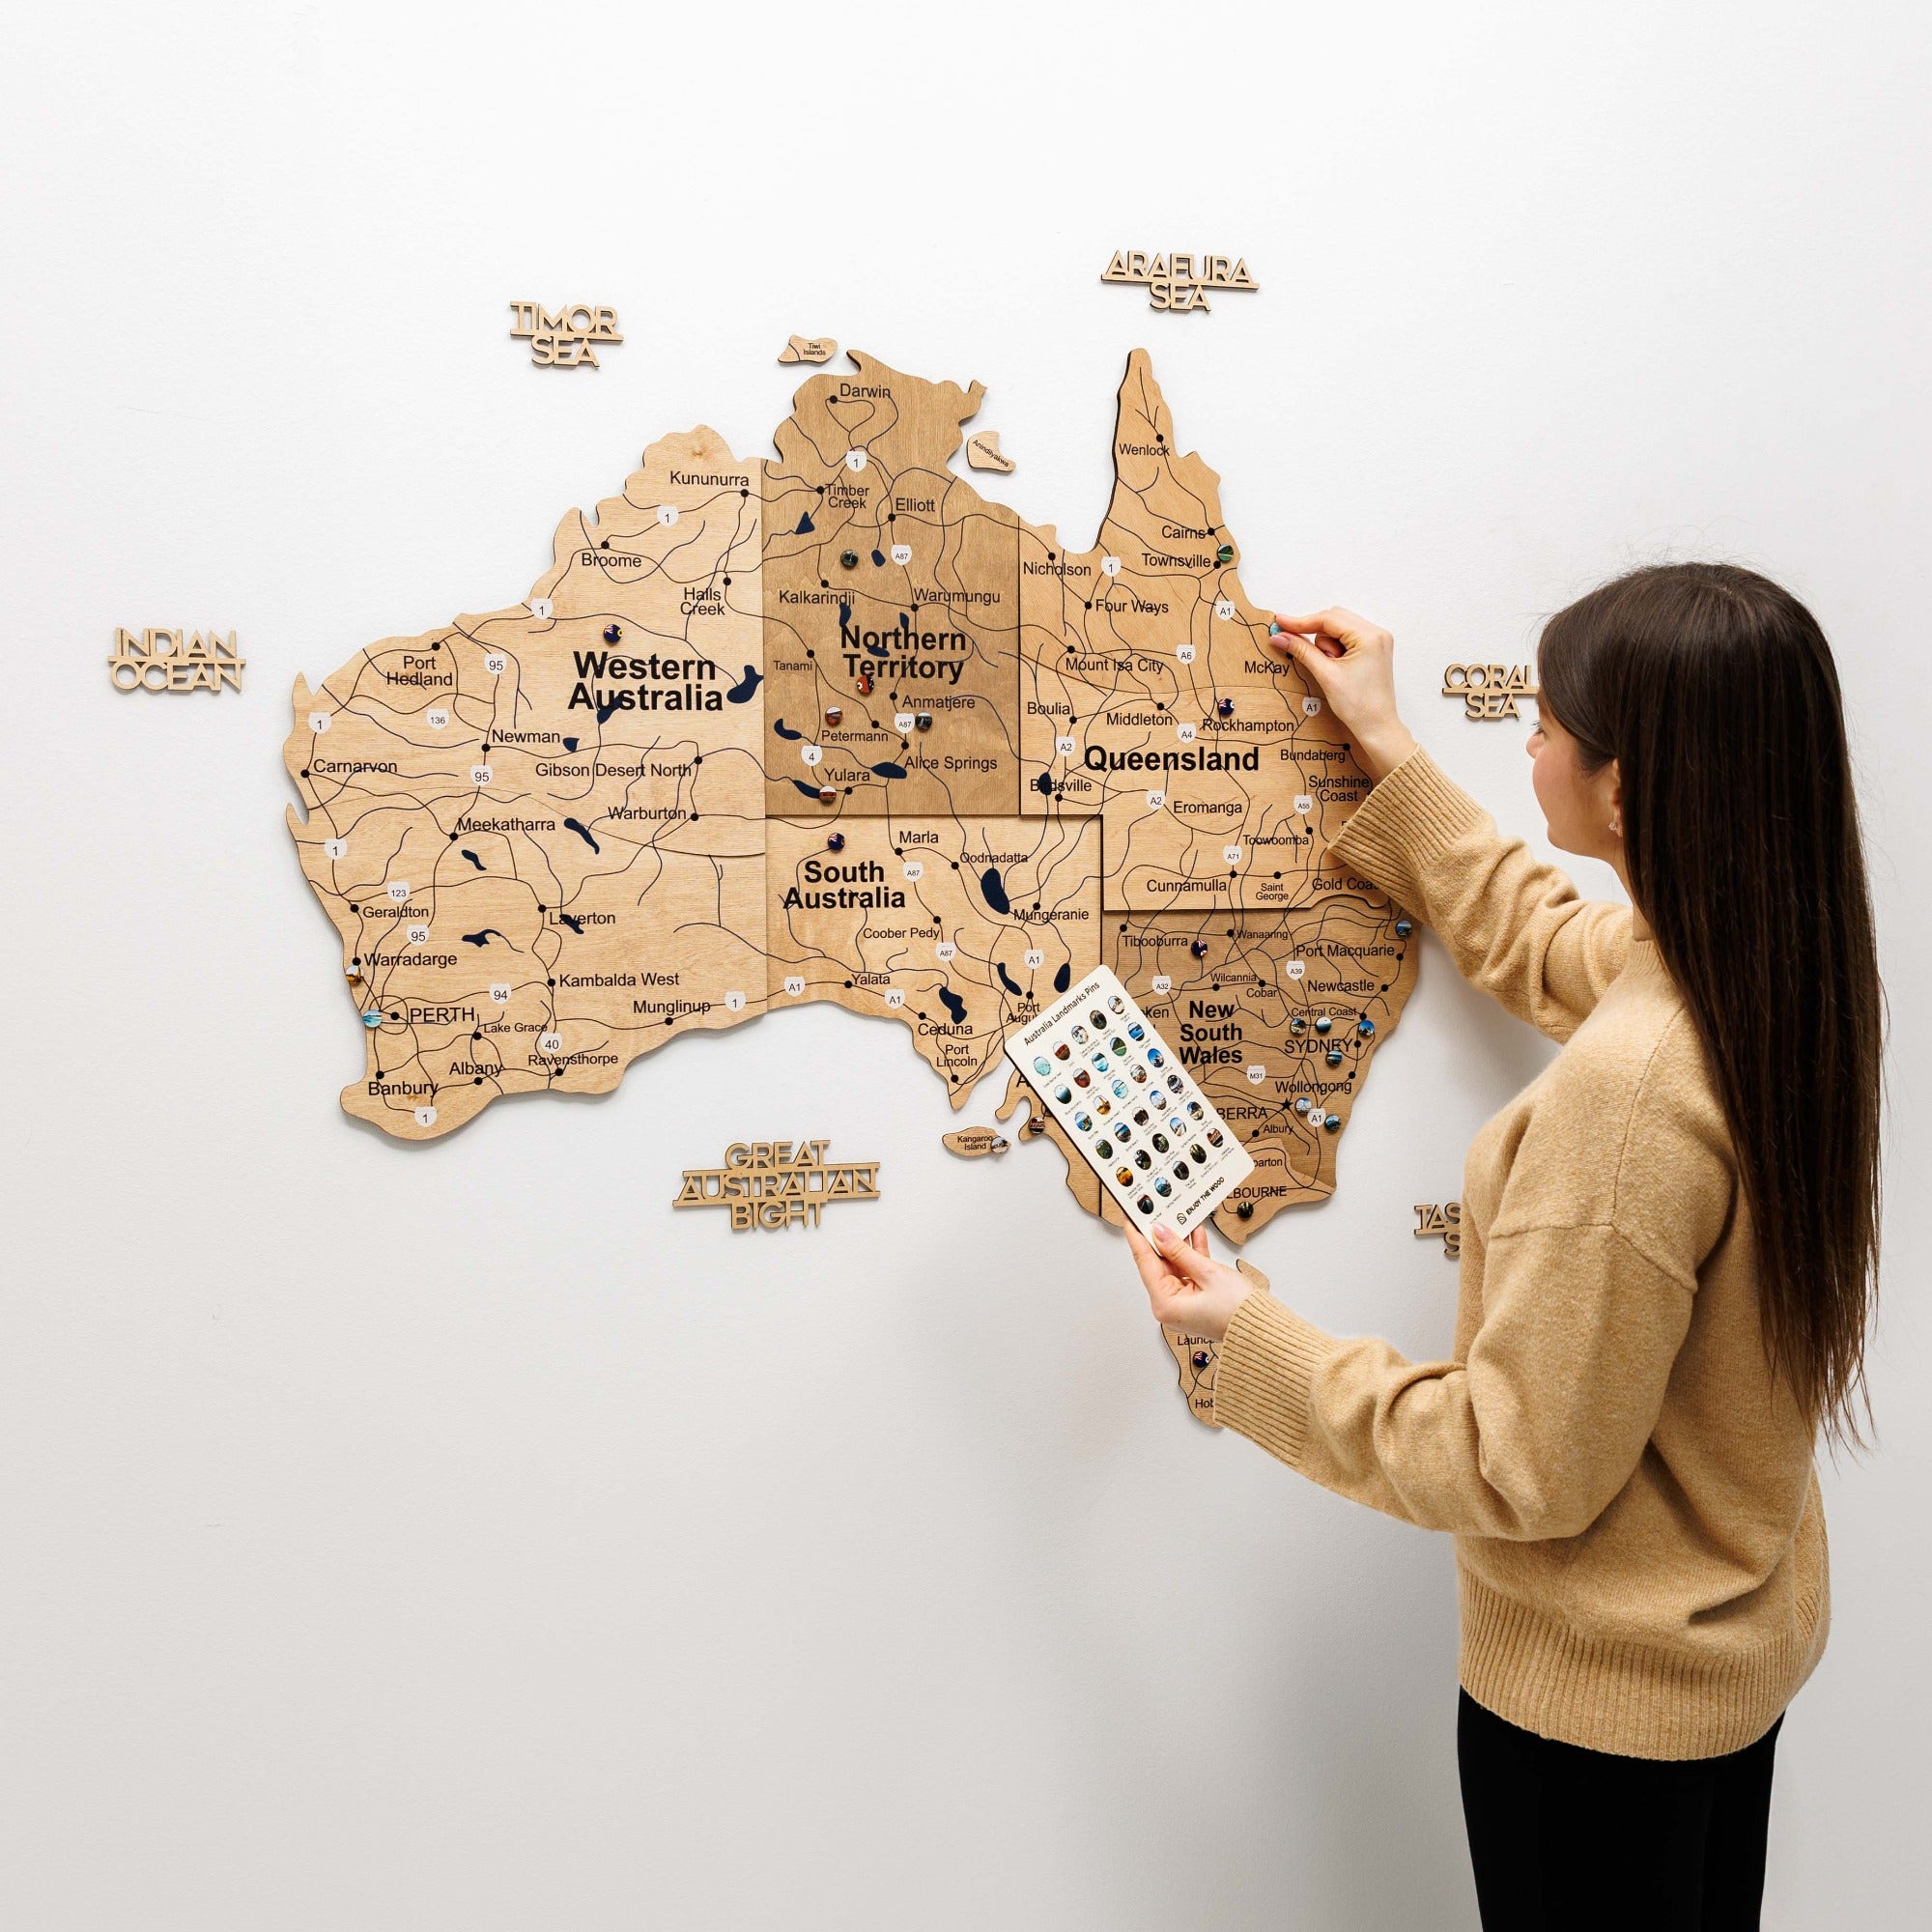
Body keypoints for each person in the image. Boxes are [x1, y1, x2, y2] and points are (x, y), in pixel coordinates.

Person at [1124, 565, 1883, 1931]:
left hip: (1598, 1735)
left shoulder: (1638, 1095)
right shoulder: (1778, 975)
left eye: (1548, 720)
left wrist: (1249, 1344)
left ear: (1628, 787)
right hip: (1713, 1679)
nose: (1527, 736)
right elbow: (1545, 938)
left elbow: (1516, 1464)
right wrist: (1387, 748)